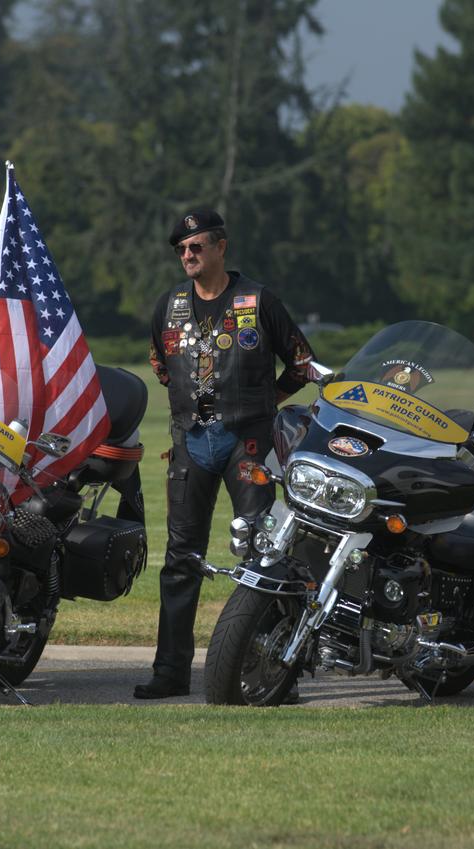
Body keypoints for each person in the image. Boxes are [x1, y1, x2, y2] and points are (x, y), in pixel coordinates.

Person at [134, 209, 314, 699]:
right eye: (182, 250)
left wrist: (264, 401)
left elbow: (301, 363)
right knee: (179, 559)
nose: (187, 256)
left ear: (220, 248)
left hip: (247, 444)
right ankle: (170, 672)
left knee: (265, 556)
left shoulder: (258, 300)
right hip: (191, 443)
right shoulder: (169, 304)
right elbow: (160, 361)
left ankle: (275, 672)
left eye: (196, 247)